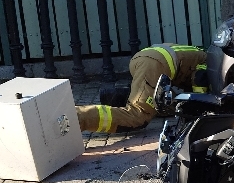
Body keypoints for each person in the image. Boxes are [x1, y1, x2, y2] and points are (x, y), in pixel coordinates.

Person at [76, 43, 209, 133]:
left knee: (168, 106)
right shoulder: (211, 63)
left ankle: (122, 95)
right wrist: (201, 112)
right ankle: (79, 117)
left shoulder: (203, 54)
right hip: (155, 65)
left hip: (146, 59)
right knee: (138, 116)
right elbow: (200, 80)